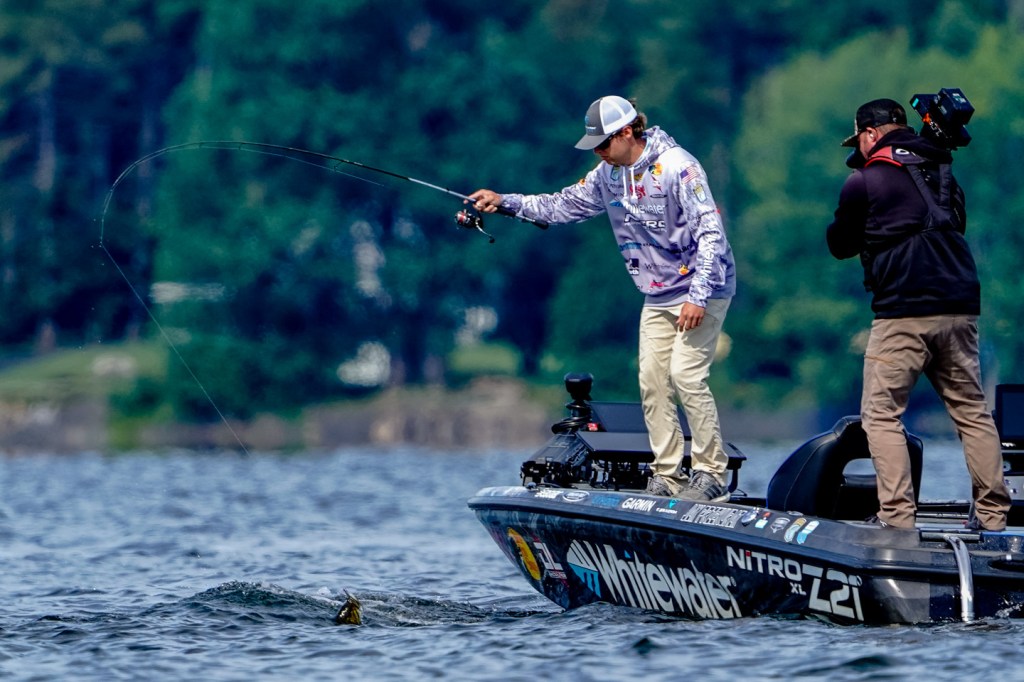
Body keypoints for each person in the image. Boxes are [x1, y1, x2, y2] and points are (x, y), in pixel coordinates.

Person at [469, 95, 736, 502]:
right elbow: (560, 206)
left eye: (603, 143)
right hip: (658, 292)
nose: (598, 152)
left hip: (705, 285)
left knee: (685, 375)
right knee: (652, 382)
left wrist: (698, 297)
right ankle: (668, 476)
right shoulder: (607, 175)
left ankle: (711, 473)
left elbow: (712, 233)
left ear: (628, 132)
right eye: (594, 146)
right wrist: (505, 203)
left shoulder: (679, 167)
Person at [826, 98, 1011, 530]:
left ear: (870, 134)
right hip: (959, 304)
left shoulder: (864, 180)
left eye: (859, 141)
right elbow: (956, 223)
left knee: (881, 415)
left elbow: (840, 244)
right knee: (972, 411)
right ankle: (993, 518)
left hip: (903, 310)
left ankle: (897, 520)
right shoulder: (942, 170)